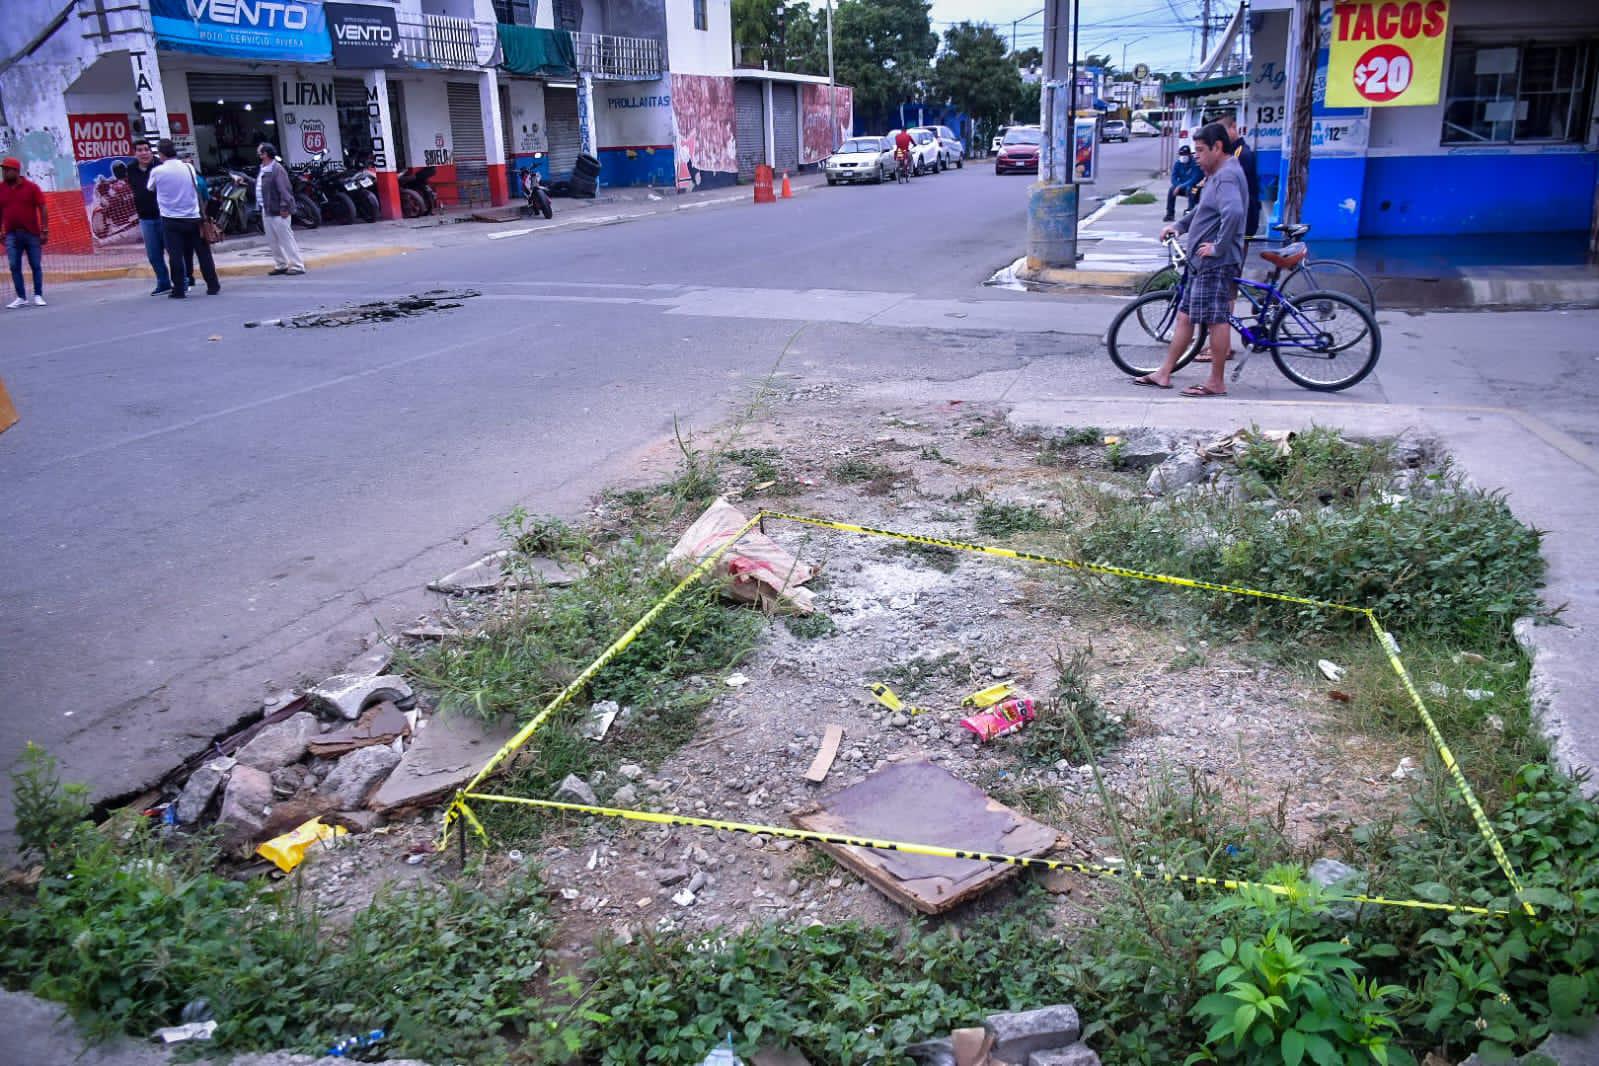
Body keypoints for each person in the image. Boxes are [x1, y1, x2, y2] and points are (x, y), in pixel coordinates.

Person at [1132, 122, 1247, 397]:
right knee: (1185, 317)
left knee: (1217, 320)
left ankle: (1216, 382)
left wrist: (1218, 247)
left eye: (1200, 150)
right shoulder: (1217, 174)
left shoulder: (1227, 175)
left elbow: (1234, 213)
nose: (1195, 156)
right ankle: (1164, 373)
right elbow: (1203, 211)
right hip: (1200, 263)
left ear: (1217, 147)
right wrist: (1180, 226)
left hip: (1215, 263)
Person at [148, 139, 219, 299]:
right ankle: (213, 285)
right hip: (193, 217)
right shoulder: (188, 168)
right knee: (203, 254)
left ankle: (179, 289)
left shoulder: (157, 171)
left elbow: (150, 188)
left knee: (176, 256)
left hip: (171, 219)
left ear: (160, 154)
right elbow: (195, 186)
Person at [0, 157, 48, 309]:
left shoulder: (31, 187)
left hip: (32, 233)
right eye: (3, 170)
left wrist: (44, 230)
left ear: (16, 171)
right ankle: (21, 297)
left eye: (7, 170)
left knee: (35, 265)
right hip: (11, 234)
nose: (4, 173)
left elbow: (42, 207)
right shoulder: (1, 188)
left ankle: (38, 295)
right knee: (14, 265)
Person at [127, 141, 172, 295]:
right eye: (140, 150)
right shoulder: (131, 169)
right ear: (135, 153)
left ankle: (183, 280)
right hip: (145, 218)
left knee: (172, 250)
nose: (144, 153)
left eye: (147, 149)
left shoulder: (159, 166)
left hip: (163, 215)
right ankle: (163, 282)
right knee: (153, 254)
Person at [255, 143, 305, 276]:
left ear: (265, 154)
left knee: (286, 239)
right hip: (267, 209)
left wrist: (284, 207)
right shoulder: (263, 168)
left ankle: (297, 265)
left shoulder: (277, 169)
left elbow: (285, 190)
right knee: (272, 240)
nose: (257, 152)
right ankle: (281, 264)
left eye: (260, 150)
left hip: (278, 210)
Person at [1219, 111, 1261, 237]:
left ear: (1233, 127)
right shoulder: (1229, 152)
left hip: (1246, 211)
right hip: (1234, 210)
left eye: (1223, 133)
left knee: (1238, 251)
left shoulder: (1242, 153)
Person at [1164, 145, 1201, 222]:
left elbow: (1194, 179)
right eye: (1181, 155)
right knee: (1171, 190)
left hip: (1195, 187)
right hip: (1181, 187)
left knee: (1191, 190)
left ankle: (1190, 211)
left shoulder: (1195, 164)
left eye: (1185, 155)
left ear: (1190, 155)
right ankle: (1170, 214)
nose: (1183, 157)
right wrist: (1177, 186)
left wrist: (1180, 186)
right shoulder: (1178, 163)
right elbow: (1173, 178)